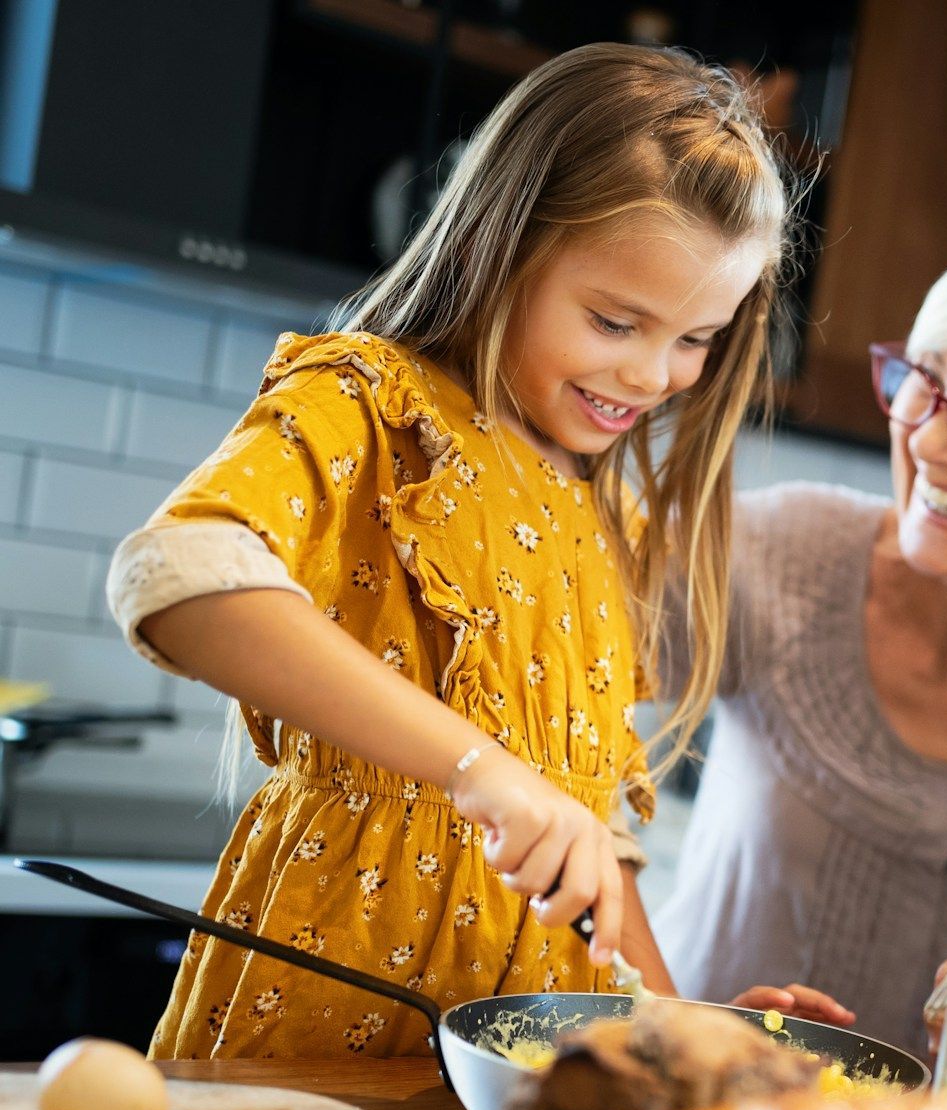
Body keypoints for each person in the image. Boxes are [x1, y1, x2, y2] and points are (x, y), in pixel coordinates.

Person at [107, 44, 804, 1058]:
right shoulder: (370, 402)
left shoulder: (609, 517)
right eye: (615, 320)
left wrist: (693, 1039)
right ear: (501, 244)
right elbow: (174, 574)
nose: (655, 373)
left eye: (698, 338)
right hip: (323, 1036)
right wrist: (477, 768)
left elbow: (589, 855)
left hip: (527, 1067)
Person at [651, 233, 947, 1053]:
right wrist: (651, 1011)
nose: (933, 441)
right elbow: (541, 673)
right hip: (686, 1100)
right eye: (927, 384)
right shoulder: (776, 552)